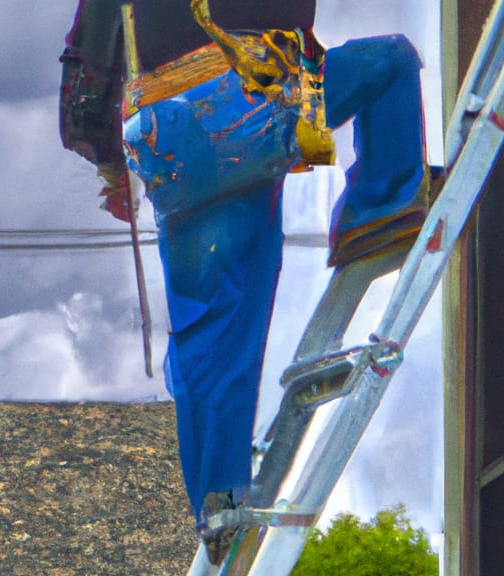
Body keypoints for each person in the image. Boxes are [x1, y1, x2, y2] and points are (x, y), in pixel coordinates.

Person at [60, 0, 434, 564]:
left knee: (209, 332)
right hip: (252, 102)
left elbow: (84, 95)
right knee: (391, 63)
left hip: (165, 139)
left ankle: (219, 499)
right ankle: (378, 212)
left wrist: (112, 171)